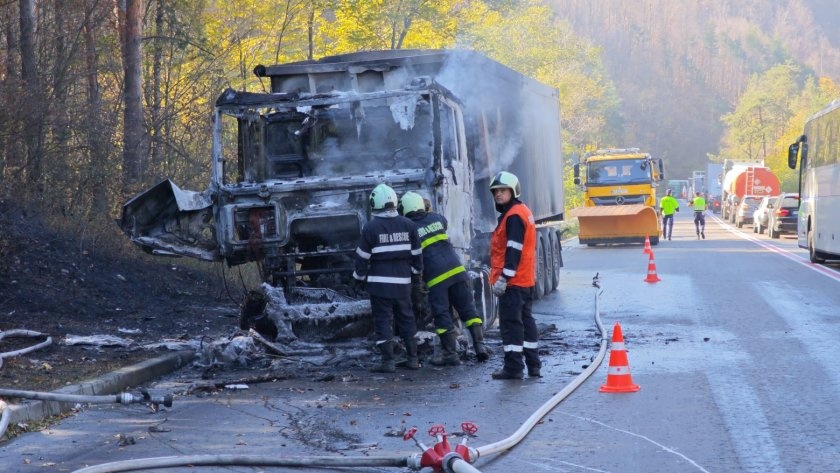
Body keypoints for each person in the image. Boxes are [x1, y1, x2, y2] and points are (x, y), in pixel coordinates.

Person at [398, 191, 490, 366]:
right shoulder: (436, 219)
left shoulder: (408, 227)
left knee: (442, 315)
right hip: (457, 270)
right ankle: (480, 347)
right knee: (467, 310)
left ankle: (450, 355)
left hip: (437, 278)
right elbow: (444, 223)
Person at [353, 183, 423, 373]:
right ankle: (413, 359)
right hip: (403, 285)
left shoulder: (370, 228)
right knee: (407, 319)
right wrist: (416, 276)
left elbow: (361, 258)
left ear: (374, 203)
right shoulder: (409, 225)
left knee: (383, 321)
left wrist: (358, 279)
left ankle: (388, 362)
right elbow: (417, 255)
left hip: (380, 286)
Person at [487, 171, 541, 380]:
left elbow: (513, 250)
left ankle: (513, 368)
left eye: (502, 190)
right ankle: (534, 365)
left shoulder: (514, 216)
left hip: (513, 282)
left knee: (511, 325)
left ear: (513, 191)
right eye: (495, 191)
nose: (498, 195)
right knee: (526, 322)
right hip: (525, 280)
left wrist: (504, 278)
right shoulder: (521, 211)